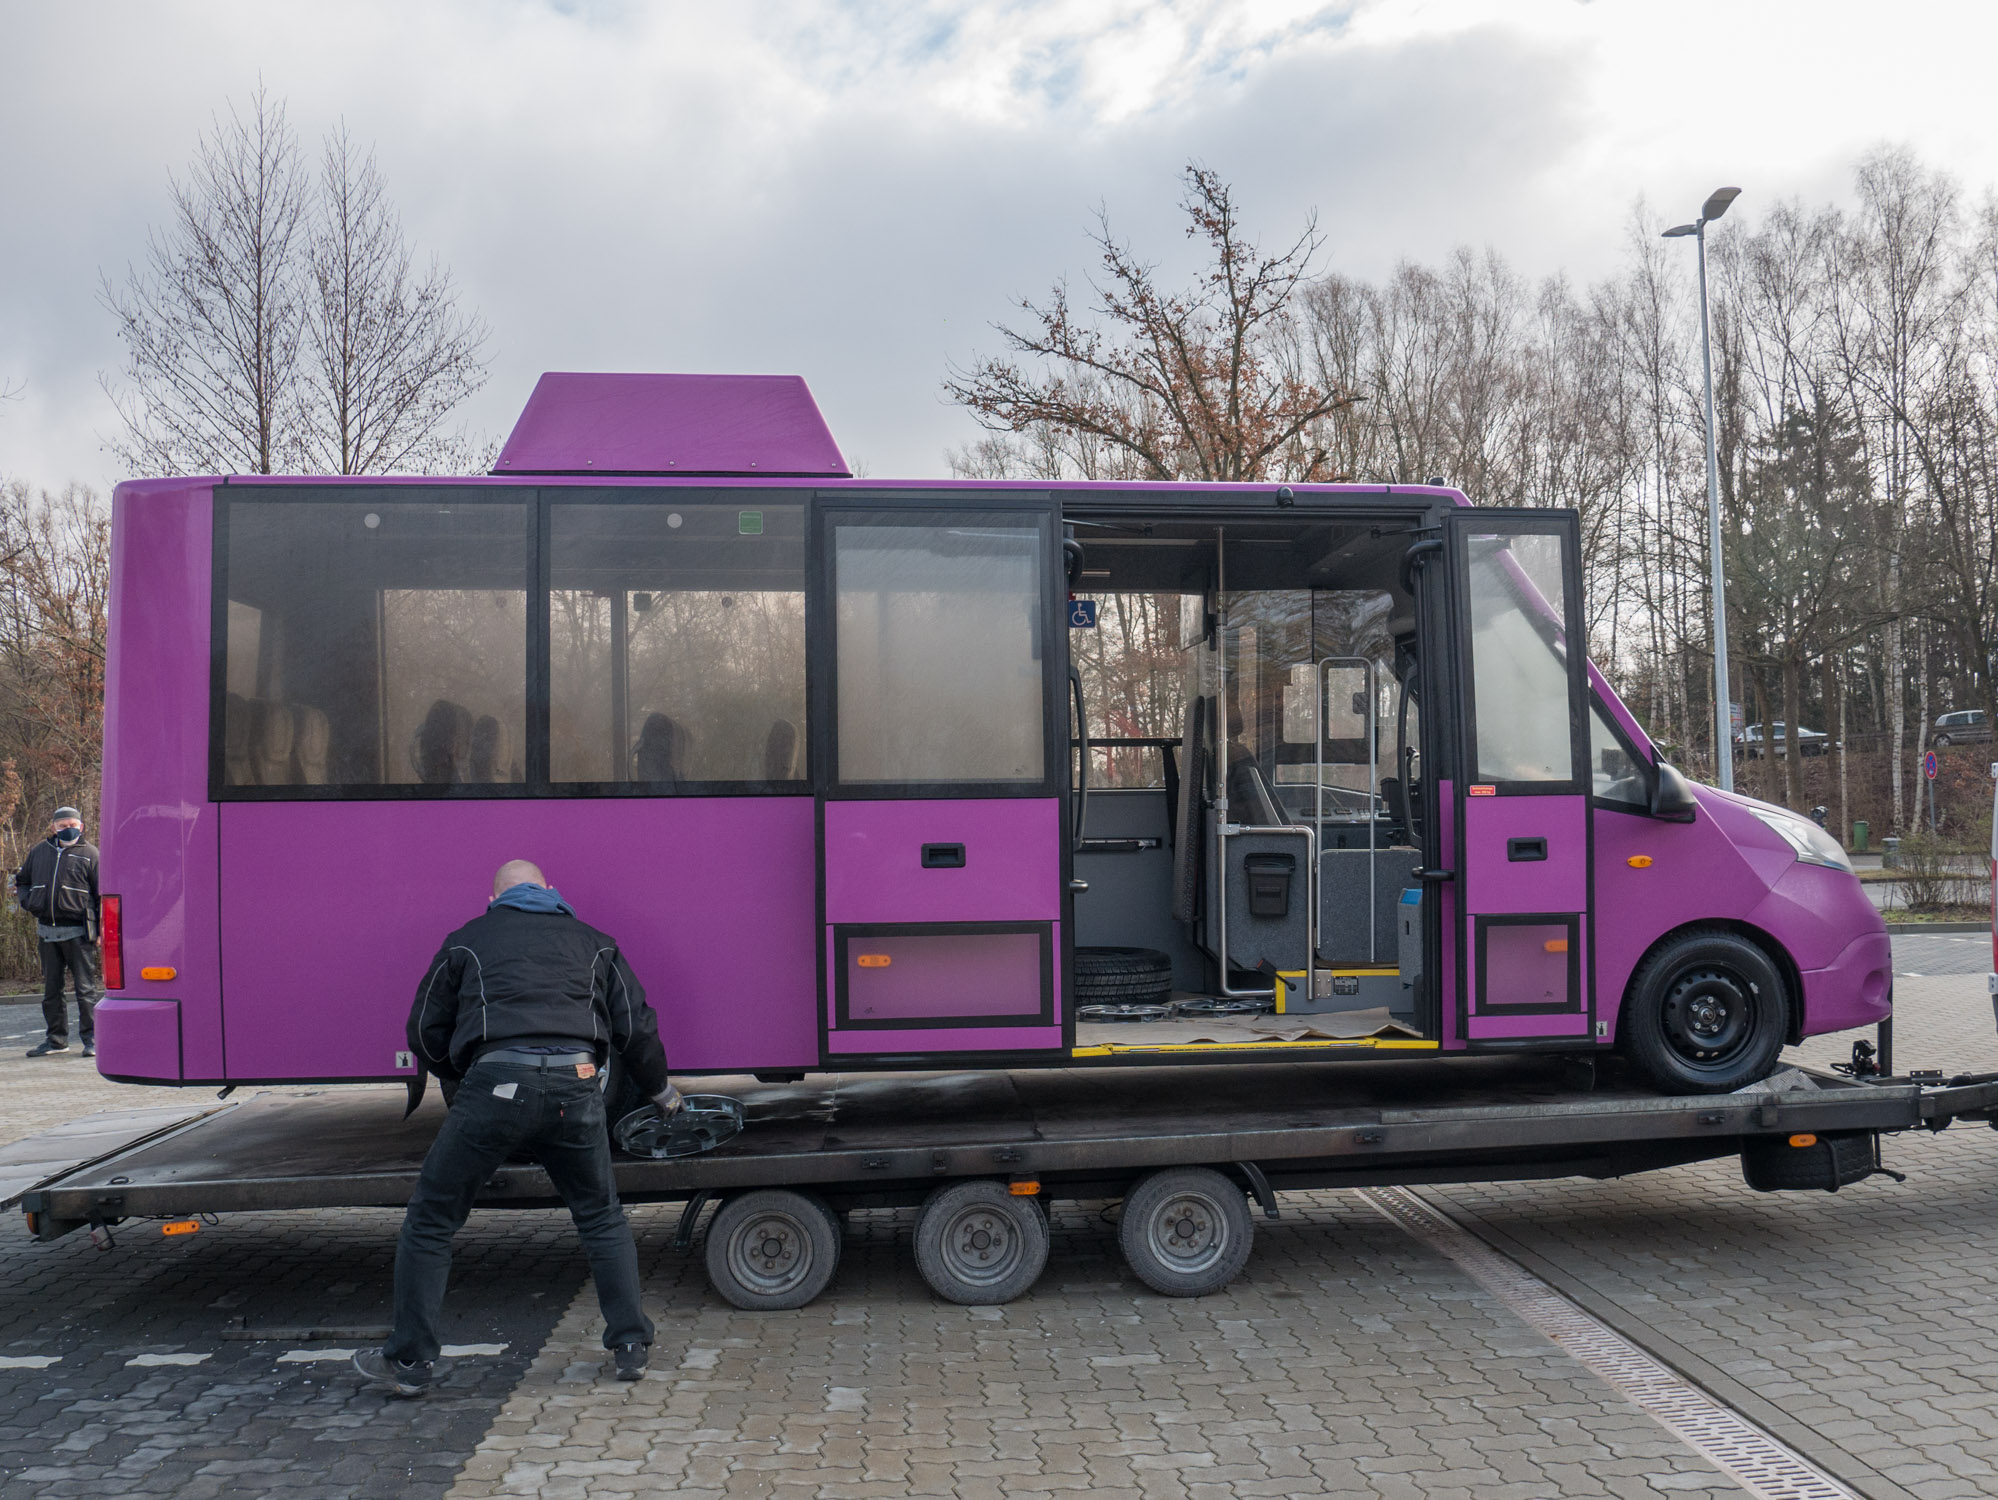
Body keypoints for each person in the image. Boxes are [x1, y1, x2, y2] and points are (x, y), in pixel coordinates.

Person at [354, 859, 683, 1399]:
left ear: (494, 899)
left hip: (495, 1086)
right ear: (551, 892)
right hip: (578, 1085)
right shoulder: (595, 942)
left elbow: (423, 1029)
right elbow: (635, 1026)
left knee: (432, 1218)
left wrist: (460, 1073)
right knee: (601, 1215)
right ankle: (630, 1345)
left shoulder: (466, 941)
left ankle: (411, 1361)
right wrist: (660, 1091)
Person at [13, 807, 101, 1059]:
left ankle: (92, 1040)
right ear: (53, 827)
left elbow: (101, 894)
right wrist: (28, 901)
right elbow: (23, 880)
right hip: (46, 933)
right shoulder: (39, 852)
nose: (67, 828)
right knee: (52, 990)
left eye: (72, 824)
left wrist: (101, 929)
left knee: (85, 990)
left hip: (79, 933)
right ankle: (56, 1040)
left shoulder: (91, 854)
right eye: (62, 825)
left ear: (81, 826)